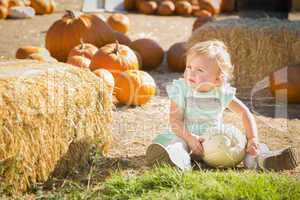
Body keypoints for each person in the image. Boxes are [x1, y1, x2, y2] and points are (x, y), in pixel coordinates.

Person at [146, 40, 298, 171]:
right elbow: (175, 122)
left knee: (244, 148)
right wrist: (190, 138)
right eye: (189, 67)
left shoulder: (221, 92)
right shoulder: (181, 89)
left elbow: (245, 113)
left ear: (218, 79)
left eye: (199, 70)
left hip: (215, 141)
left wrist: (253, 139)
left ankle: (264, 159)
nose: (191, 73)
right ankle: (176, 161)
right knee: (178, 144)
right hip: (187, 136)